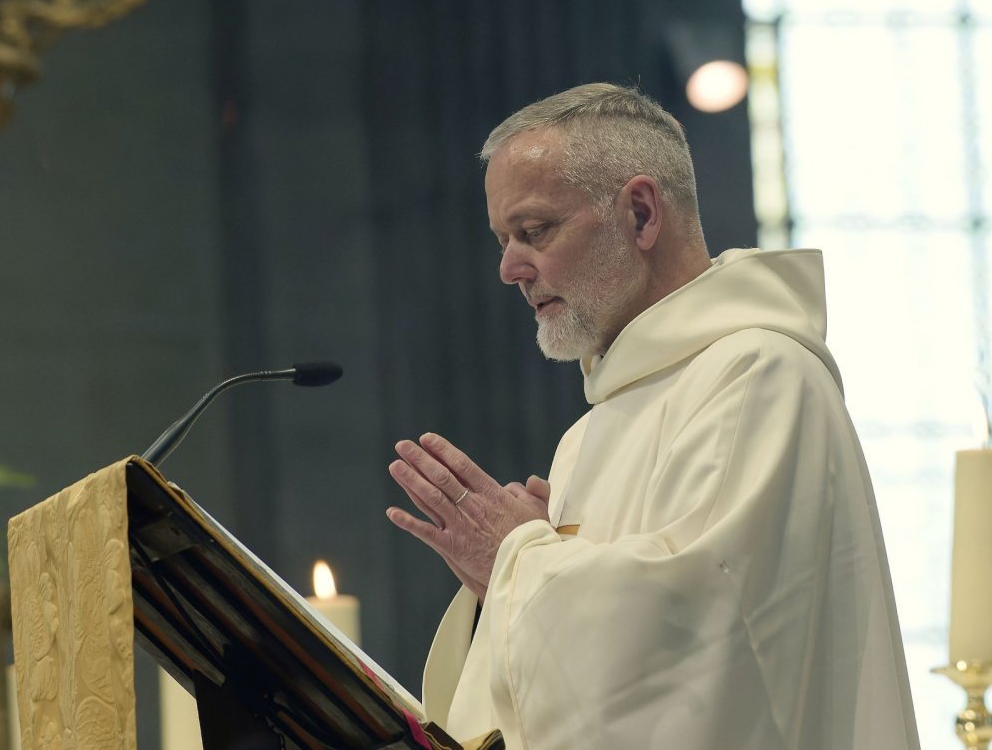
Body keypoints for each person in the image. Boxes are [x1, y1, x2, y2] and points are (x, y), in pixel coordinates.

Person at [385, 83, 920, 750]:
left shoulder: (760, 376)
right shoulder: (588, 433)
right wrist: (504, 589)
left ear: (640, 213)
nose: (509, 268)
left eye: (534, 231)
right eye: (503, 239)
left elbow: (712, 649)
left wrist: (517, 559)